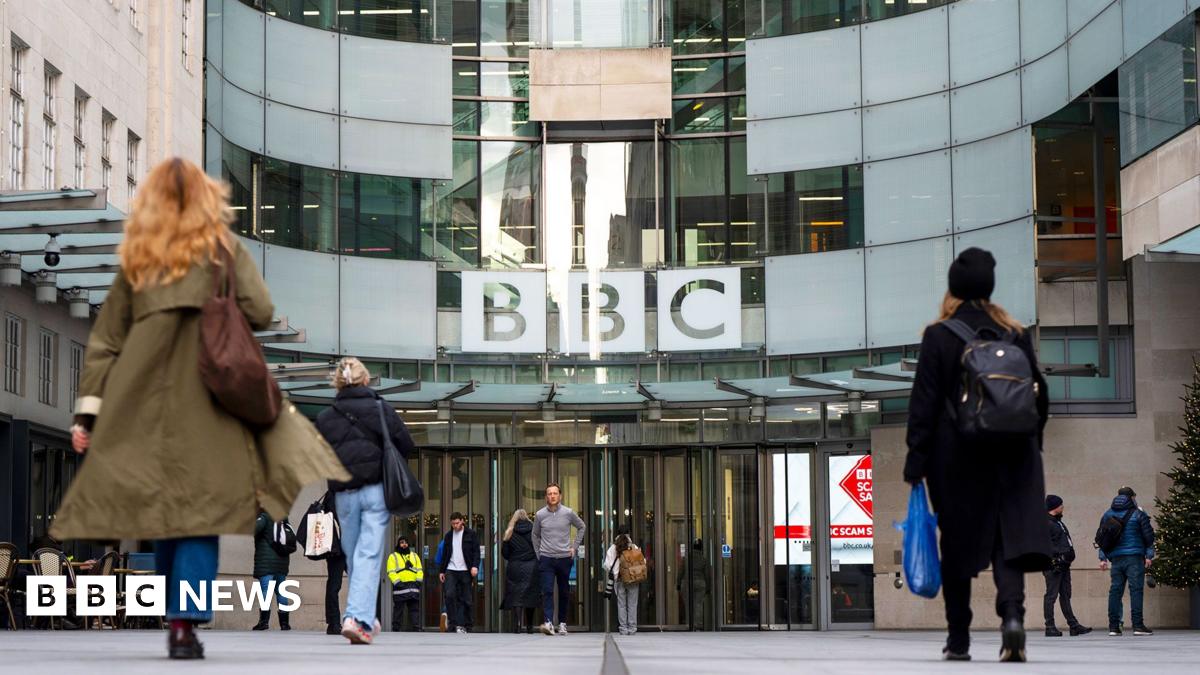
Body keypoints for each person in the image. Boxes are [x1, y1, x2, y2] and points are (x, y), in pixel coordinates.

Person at [52, 158, 347, 660]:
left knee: (167, 514)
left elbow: (106, 342)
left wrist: (87, 415)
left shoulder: (138, 259)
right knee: (198, 516)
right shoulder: (221, 250)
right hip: (211, 405)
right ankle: (185, 622)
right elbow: (258, 310)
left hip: (145, 405)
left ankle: (174, 613)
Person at [903, 247, 1052, 663]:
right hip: (1015, 454)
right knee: (1007, 542)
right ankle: (1012, 620)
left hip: (958, 457)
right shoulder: (1014, 333)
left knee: (958, 545)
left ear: (953, 287)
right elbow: (1040, 396)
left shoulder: (939, 335)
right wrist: (1031, 445)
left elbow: (924, 405)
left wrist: (916, 462)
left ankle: (959, 639)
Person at [316, 356, 416, 645]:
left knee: (353, 553)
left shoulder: (326, 418)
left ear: (338, 382)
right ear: (365, 379)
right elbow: (406, 444)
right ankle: (357, 619)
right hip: (374, 489)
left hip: (344, 494)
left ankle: (359, 616)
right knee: (368, 554)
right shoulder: (381, 409)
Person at [1098, 486, 1156, 636]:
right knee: (1136, 591)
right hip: (1134, 558)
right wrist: (1149, 555)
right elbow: (1149, 538)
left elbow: (1102, 538)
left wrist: (1102, 558)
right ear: (1132, 498)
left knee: (1115, 591)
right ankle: (1138, 626)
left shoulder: (1107, 514)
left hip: (1116, 559)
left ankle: (1113, 627)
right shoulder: (1138, 514)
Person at [533, 483, 586, 635]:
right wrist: (539, 553)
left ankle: (562, 623)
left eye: (555, 493)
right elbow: (535, 535)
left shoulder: (568, 513)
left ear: (560, 496)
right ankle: (549, 622)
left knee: (564, 592)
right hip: (546, 558)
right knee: (547, 590)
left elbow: (582, 526)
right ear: (546, 497)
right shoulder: (540, 515)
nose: (552, 496)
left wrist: (574, 547)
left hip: (564, 558)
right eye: (549, 493)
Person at [1043, 495, 1090, 637]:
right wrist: (1057, 557)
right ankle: (1049, 626)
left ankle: (1073, 625)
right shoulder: (1046, 523)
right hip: (1054, 565)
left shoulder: (1058, 522)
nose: (1063, 506)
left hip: (1064, 565)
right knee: (1051, 595)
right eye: (1060, 505)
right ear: (1054, 507)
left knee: (1065, 595)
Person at [438, 512, 480, 634]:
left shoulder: (471, 534)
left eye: (457, 523)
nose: (455, 526)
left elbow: (476, 552)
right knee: (450, 595)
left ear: (462, 521)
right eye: (453, 524)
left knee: (467, 598)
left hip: (465, 570)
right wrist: (442, 570)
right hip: (451, 569)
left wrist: (474, 566)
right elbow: (445, 554)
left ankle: (468, 624)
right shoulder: (448, 536)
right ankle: (453, 623)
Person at [501, 509, 541, 634]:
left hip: (515, 566)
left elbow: (505, 553)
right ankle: (529, 626)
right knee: (530, 595)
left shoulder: (509, 532)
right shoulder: (535, 531)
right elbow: (539, 548)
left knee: (516, 595)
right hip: (532, 566)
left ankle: (517, 625)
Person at [251, 511, 292, 631]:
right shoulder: (283, 517)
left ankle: (263, 622)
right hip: (282, 562)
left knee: (265, 591)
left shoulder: (264, 516)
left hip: (266, 562)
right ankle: (284, 624)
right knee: (281, 592)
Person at [603, 525, 641, 635]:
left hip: (619, 580)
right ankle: (632, 628)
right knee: (632, 604)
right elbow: (642, 561)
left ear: (617, 533)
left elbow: (606, 565)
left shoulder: (613, 548)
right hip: (633, 579)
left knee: (621, 605)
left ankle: (623, 629)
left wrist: (615, 570)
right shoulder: (633, 547)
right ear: (629, 534)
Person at [387, 536, 423, 632]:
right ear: (398, 544)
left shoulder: (415, 556)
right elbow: (391, 571)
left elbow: (419, 570)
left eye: (406, 542)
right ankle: (396, 628)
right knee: (398, 609)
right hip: (400, 587)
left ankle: (416, 627)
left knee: (414, 609)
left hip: (413, 587)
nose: (404, 544)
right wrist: (398, 583)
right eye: (402, 542)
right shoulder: (393, 556)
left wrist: (418, 581)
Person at [676, 538, 710, 629]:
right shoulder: (704, 559)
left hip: (686, 583)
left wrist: (678, 584)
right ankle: (697, 624)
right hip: (700, 583)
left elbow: (681, 572)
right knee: (698, 604)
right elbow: (707, 574)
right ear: (701, 548)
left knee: (688, 605)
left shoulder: (686, 559)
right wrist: (708, 587)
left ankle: (688, 624)